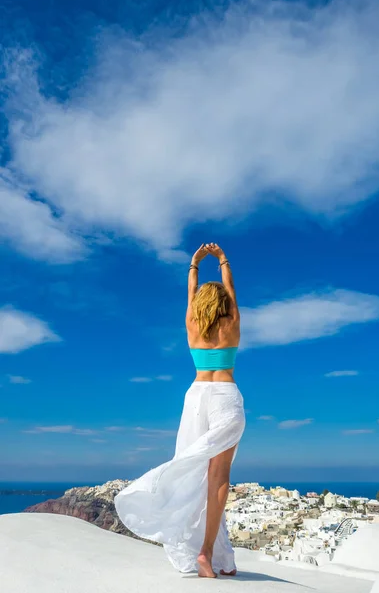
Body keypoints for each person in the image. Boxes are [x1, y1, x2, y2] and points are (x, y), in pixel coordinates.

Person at [114, 243, 246, 578]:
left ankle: (206, 553)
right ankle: (206, 552)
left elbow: (191, 296)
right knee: (218, 476)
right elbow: (230, 290)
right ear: (225, 304)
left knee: (190, 469)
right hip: (225, 396)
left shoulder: (192, 323)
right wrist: (222, 260)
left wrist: (194, 265)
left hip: (196, 396)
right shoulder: (231, 322)